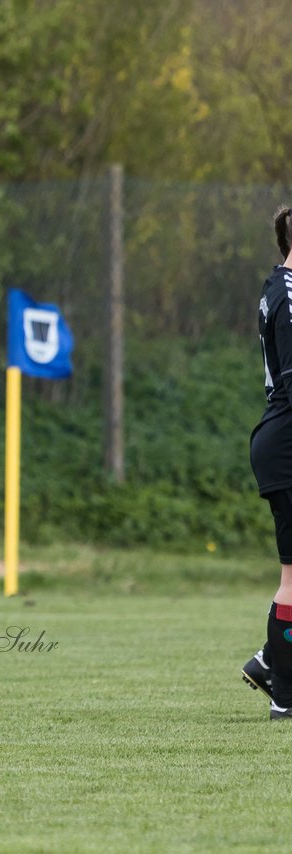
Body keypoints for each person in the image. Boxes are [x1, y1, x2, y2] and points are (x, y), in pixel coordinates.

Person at [241, 205, 292, 720]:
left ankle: (270, 663)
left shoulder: (276, 284)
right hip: (286, 446)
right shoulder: (289, 297)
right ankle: (285, 693)